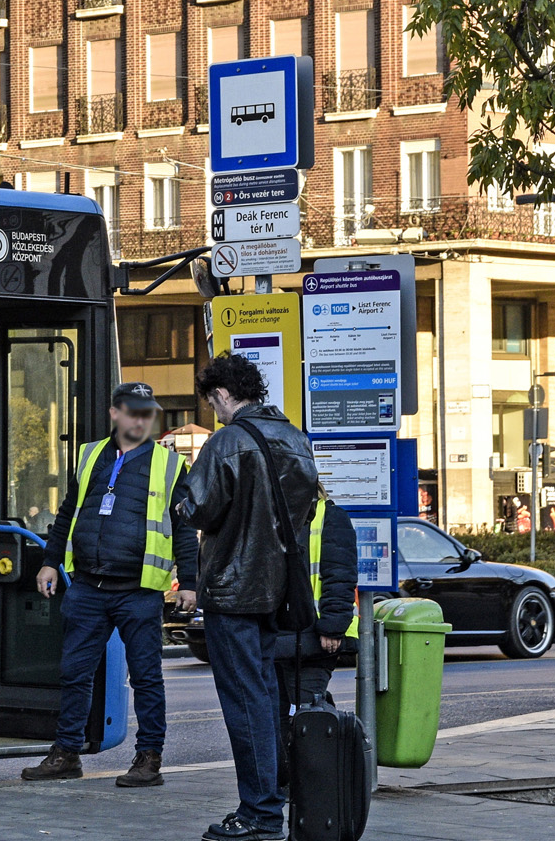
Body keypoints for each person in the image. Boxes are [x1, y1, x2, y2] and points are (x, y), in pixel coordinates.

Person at [21, 382, 200, 788]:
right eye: (133, 411)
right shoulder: (89, 456)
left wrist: (189, 583)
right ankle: (66, 753)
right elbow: (68, 512)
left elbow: (185, 527)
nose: (141, 419)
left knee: (146, 677)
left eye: (147, 412)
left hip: (138, 590)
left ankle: (149, 758)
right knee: (74, 672)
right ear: (115, 413)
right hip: (87, 586)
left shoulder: (170, 465)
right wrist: (50, 562)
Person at [179, 353, 321, 841]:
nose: (214, 412)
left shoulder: (228, 442)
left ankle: (260, 813)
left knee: (246, 702)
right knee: (264, 697)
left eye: (212, 402)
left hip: (233, 590)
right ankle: (269, 802)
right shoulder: (295, 439)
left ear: (221, 394)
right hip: (276, 591)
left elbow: (195, 507)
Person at [275, 495, 357, 799]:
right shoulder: (273, 511)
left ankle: (317, 787)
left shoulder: (328, 516)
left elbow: (339, 573)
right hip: (278, 635)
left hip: (313, 636)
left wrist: (333, 625)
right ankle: (292, 784)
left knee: (309, 715)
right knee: (282, 717)